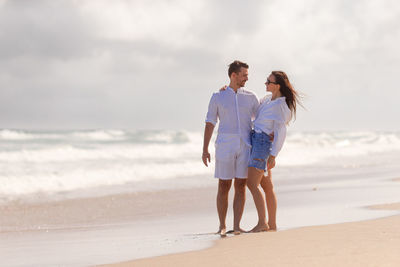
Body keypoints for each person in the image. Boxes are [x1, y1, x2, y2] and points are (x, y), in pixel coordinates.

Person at [202, 60, 259, 236]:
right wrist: (205, 149)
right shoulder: (218, 96)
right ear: (233, 75)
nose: (246, 79)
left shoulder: (251, 97)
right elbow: (210, 122)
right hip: (225, 145)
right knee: (223, 185)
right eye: (244, 75)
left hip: (245, 144)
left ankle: (237, 225)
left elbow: (259, 119)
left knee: (241, 185)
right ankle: (222, 225)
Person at [247, 71, 301, 232]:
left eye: (268, 81)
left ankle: (262, 223)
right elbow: (252, 114)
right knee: (267, 186)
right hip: (256, 140)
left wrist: (273, 155)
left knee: (251, 184)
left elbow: (280, 131)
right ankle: (272, 224)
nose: (265, 84)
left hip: (262, 144)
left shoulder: (280, 106)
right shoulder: (266, 100)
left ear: (277, 86)